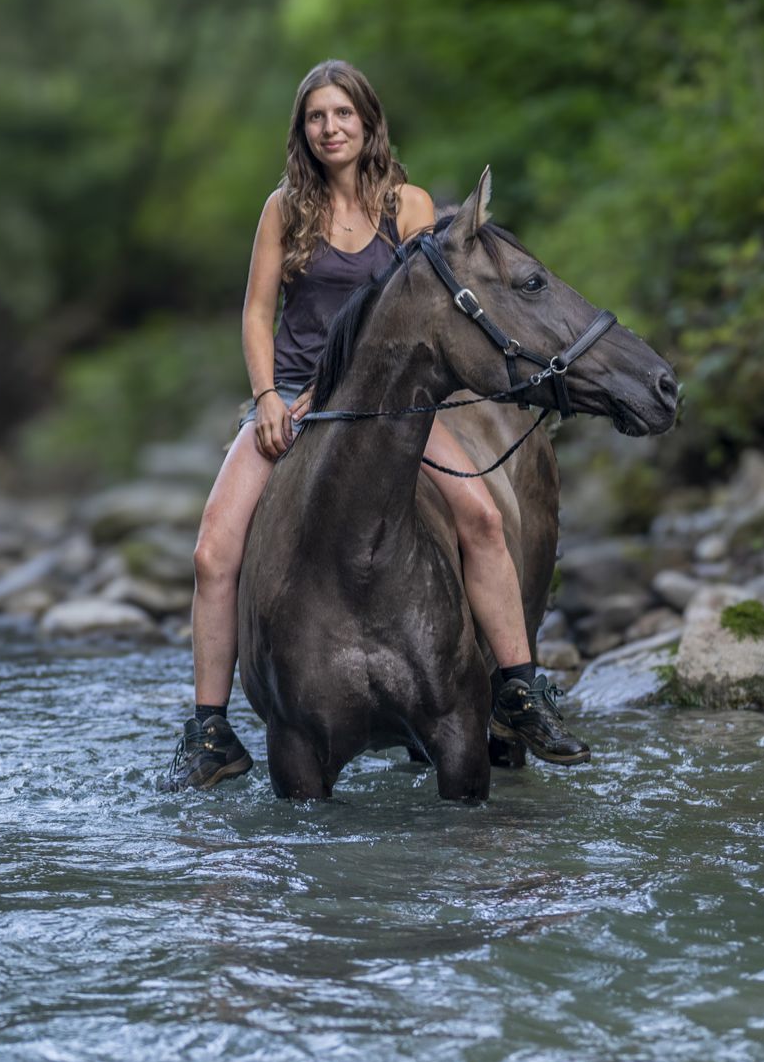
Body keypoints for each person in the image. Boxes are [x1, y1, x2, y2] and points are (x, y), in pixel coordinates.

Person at [163, 61, 585, 789]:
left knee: (482, 517)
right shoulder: (283, 209)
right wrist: (266, 396)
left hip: (389, 403)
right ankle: (209, 730)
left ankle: (519, 689)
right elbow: (257, 312)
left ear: (368, 121)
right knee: (211, 550)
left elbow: (423, 307)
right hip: (296, 397)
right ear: (303, 131)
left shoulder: (409, 206)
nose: (330, 129)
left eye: (342, 115)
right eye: (316, 118)